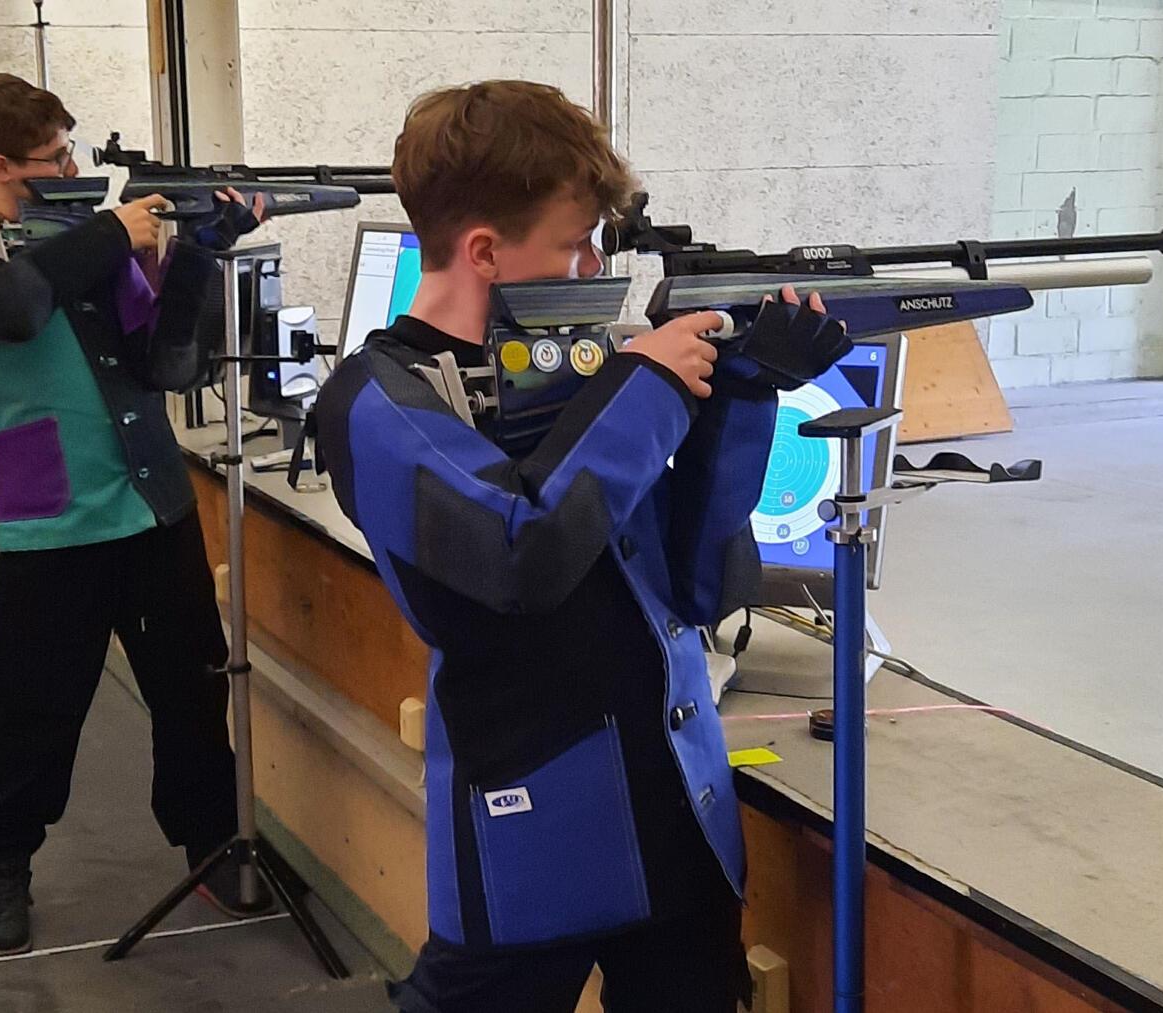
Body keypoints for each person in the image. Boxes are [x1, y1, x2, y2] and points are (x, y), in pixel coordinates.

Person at [315, 80, 849, 1012]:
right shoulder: (376, 400)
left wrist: (745, 389)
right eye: (573, 243)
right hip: (529, 827)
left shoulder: (585, 378)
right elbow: (519, 553)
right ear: (484, 250)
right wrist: (645, 390)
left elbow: (696, 583)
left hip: (678, 816)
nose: (595, 263)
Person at [0, 73, 272, 958]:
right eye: (55, 156)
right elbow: (13, 309)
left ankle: (210, 843)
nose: (72, 166)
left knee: (192, 690)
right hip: (51, 518)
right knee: (32, 709)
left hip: (152, 503)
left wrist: (204, 251)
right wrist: (109, 234)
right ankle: (4, 865)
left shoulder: (77, 239)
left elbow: (167, 366)